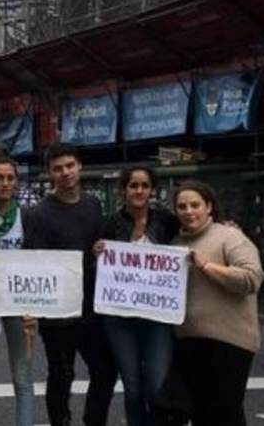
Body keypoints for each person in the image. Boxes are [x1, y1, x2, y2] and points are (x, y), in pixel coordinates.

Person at [23, 143, 117, 426]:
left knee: (105, 370)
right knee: (62, 375)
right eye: (58, 168)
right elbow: (36, 263)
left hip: (92, 307)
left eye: (69, 166)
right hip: (58, 313)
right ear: (50, 174)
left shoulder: (93, 204)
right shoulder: (38, 214)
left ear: (79, 166)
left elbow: (99, 250)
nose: (65, 173)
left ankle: (94, 421)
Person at [172, 180, 264, 426]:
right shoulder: (174, 245)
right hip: (188, 341)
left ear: (209, 207)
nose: (188, 211)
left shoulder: (231, 237)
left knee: (226, 411)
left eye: (195, 205)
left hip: (230, 341)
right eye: (182, 206)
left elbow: (251, 279)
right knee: (200, 412)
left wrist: (206, 266)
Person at [95, 166, 179, 426]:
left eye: (144, 185)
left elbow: (194, 235)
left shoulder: (166, 221)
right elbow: (98, 272)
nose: (139, 191)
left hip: (158, 318)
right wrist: (97, 254)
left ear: (153, 190)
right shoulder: (109, 224)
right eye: (133, 185)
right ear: (123, 190)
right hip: (120, 320)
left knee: (155, 384)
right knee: (132, 388)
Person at [0, 150, 36, 426]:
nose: (5, 183)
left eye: (10, 177)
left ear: (16, 182)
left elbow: (37, 260)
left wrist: (35, 305)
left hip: (18, 302)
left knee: (23, 377)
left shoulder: (27, 215)